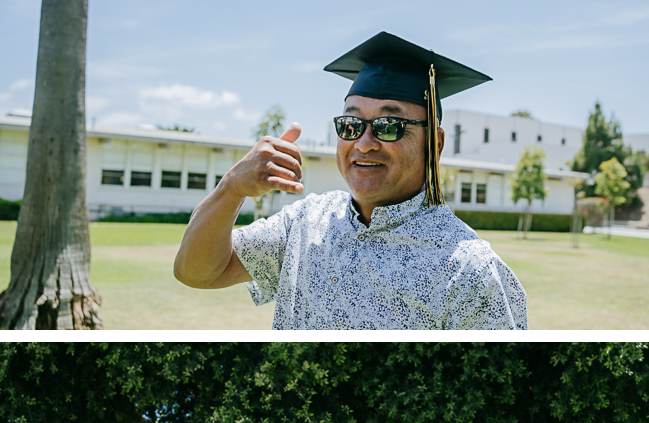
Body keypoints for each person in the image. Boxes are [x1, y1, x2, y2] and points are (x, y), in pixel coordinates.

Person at [174, 31, 527, 330]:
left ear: (434, 144)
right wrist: (232, 188)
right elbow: (197, 272)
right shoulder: (304, 223)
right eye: (351, 124)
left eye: (389, 126)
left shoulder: (470, 271)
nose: (363, 142)